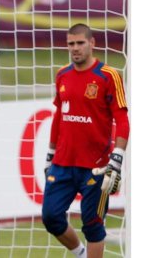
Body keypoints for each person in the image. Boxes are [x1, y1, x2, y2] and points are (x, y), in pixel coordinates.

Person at [41, 23, 129, 258]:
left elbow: (122, 118)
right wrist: (50, 154)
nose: (75, 48)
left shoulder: (108, 76)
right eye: (71, 44)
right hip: (62, 163)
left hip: (96, 167)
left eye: (80, 43)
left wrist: (117, 159)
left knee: (92, 224)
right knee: (50, 217)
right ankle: (80, 253)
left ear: (92, 43)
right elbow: (59, 116)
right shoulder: (63, 75)